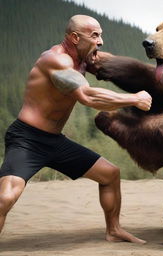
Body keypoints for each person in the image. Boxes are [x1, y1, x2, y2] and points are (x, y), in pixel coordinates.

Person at [0, 15, 152, 243]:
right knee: (6, 196)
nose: (100, 41)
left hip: (55, 141)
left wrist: (160, 74)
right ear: (74, 37)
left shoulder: (84, 59)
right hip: (27, 138)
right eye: (94, 35)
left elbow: (117, 70)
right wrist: (133, 99)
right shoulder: (56, 61)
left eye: (100, 35)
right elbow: (87, 96)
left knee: (110, 174)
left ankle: (114, 230)